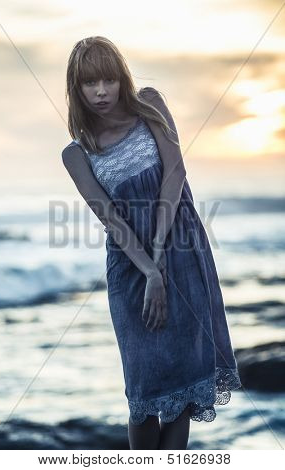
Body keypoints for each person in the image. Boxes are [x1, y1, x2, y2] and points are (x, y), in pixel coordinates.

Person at [61, 36, 242, 450]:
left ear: (121, 78)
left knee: (179, 391)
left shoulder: (150, 104)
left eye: (108, 79)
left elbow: (175, 174)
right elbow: (110, 218)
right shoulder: (76, 153)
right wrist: (147, 271)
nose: (102, 92)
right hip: (129, 267)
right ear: (76, 89)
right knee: (143, 393)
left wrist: (159, 258)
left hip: (180, 250)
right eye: (90, 83)